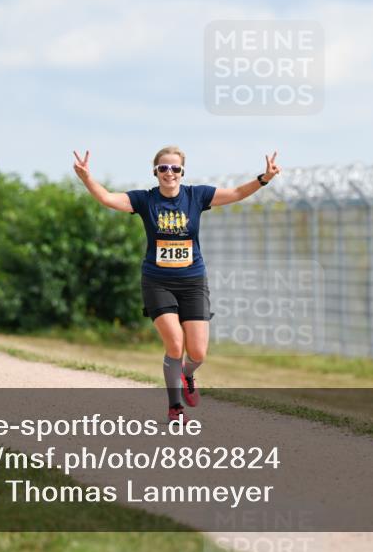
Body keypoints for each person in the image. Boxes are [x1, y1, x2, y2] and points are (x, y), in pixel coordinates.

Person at [73, 145, 281, 421]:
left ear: (182, 172)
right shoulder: (145, 200)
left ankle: (186, 374)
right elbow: (108, 198)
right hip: (157, 282)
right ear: (155, 172)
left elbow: (236, 193)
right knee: (175, 343)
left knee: (198, 353)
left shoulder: (196, 196)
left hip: (193, 281)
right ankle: (175, 407)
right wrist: (87, 178)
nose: (169, 172)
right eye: (163, 168)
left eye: (175, 168)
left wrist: (264, 178)